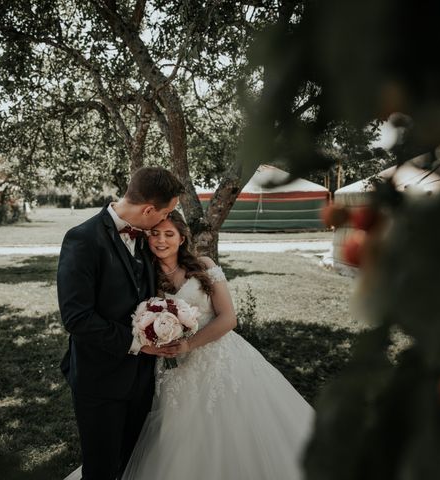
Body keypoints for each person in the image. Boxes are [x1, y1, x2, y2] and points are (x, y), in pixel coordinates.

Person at [121, 210, 315, 480]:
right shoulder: (145, 276)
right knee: (180, 434)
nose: (161, 240)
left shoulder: (203, 265)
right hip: (175, 369)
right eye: (155, 234)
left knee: (236, 426)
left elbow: (228, 318)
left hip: (221, 358)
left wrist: (188, 344)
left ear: (181, 238)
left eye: (169, 234)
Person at [57, 166, 185, 480]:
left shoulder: (146, 237)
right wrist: (140, 343)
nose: (164, 221)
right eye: (166, 212)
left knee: (133, 466)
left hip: (141, 380)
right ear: (149, 209)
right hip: (99, 380)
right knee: (100, 470)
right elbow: (77, 318)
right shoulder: (82, 239)